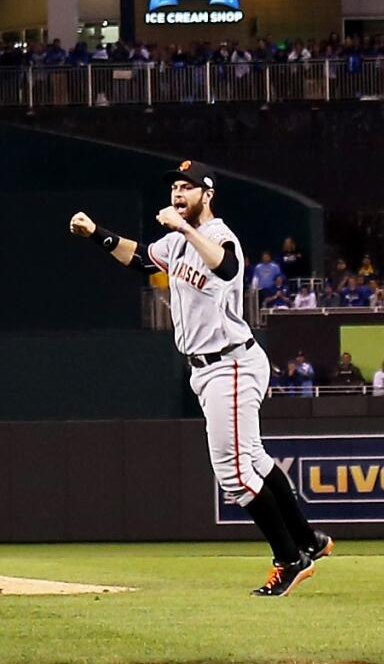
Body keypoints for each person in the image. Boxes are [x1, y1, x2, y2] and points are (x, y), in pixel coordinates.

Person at [70, 159, 331, 596]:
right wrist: (98, 234)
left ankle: (289, 559)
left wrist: (184, 228)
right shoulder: (175, 243)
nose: (177, 194)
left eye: (187, 188)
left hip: (229, 363)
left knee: (232, 474)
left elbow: (227, 268)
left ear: (206, 196)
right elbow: (138, 258)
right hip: (214, 366)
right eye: (174, 186)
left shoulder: (216, 234)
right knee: (256, 460)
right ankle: (308, 540)